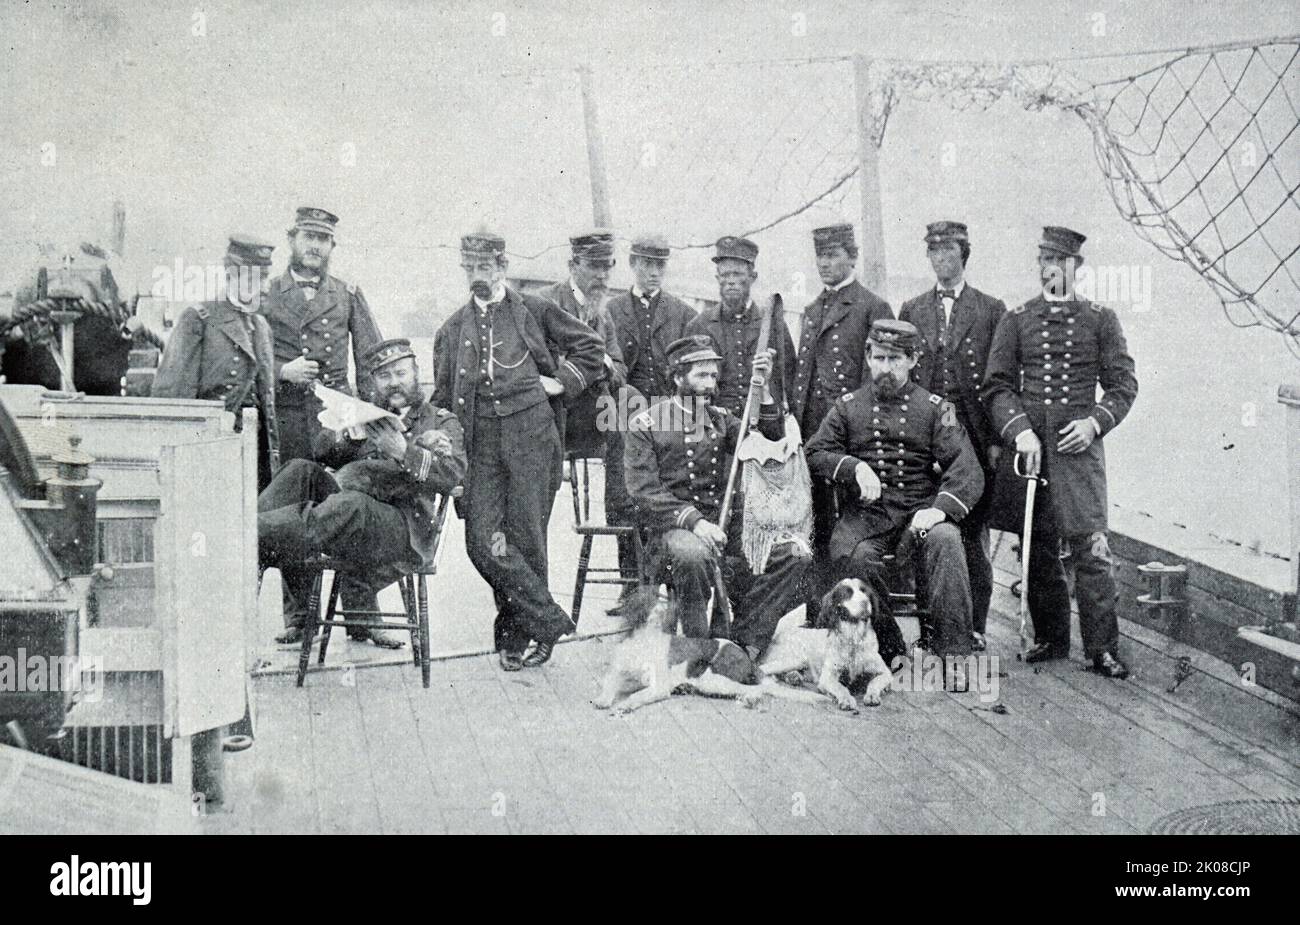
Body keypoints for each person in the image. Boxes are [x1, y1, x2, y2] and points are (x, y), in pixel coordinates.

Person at [433, 231, 607, 671]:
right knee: (483, 540)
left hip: (533, 437)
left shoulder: (534, 308)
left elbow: (591, 347)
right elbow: (440, 399)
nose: (478, 275)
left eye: (485, 266)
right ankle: (548, 620)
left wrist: (562, 381)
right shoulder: (453, 330)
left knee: (527, 537)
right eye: (470, 267)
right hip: (482, 444)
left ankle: (515, 637)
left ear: (502, 265)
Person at [982, 226, 1138, 679]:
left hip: (1078, 451)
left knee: (1092, 549)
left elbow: (1124, 385)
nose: (1052, 268)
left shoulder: (1100, 320)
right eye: (1045, 260)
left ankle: (1102, 649)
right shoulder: (1017, 319)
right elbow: (997, 386)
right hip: (1032, 451)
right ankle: (1051, 638)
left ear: (1076, 267)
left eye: (1061, 261)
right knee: (1037, 546)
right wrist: (1020, 433)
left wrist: (1094, 423)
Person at [805, 320, 984, 689]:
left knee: (947, 541)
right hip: (869, 518)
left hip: (921, 512)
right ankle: (890, 652)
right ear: (868, 357)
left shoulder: (939, 409)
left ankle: (954, 656)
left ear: (913, 359)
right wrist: (853, 467)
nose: (886, 367)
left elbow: (966, 465)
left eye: (896, 359)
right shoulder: (847, 407)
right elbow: (815, 452)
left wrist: (940, 509)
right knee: (858, 560)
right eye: (880, 357)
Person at [258, 338, 465, 649]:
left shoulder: (439, 420)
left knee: (349, 506)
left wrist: (403, 452)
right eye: (384, 376)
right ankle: (266, 552)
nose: (394, 383)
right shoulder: (365, 412)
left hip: (403, 525)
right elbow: (321, 453)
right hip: (353, 518)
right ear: (373, 381)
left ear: (416, 373)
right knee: (300, 471)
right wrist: (345, 437)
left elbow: (453, 475)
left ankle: (249, 534)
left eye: (400, 373)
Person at [624, 335, 811, 660]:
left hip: (724, 525)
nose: (709, 384)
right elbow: (643, 492)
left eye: (713, 376)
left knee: (795, 554)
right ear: (678, 377)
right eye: (700, 375)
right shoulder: (647, 423)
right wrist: (695, 523)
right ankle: (698, 648)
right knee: (694, 554)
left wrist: (764, 391)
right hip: (669, 531)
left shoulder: (722, 420)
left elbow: (771, 440)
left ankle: (743, 641)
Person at [260, 206, 385, 646]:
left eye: (323, 239)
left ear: (332, 245)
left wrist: (370, 419)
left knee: (355, 502)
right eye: (308, 237)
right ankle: (300, 618)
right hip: (290, 416)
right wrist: (281, 370)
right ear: (292, 240)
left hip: (341, 417)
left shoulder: (348, 293)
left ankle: (362, 615)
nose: (315, 246)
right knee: (294, 510)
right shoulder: (267, 292)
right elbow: (252, 358)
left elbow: (371, 359)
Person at [899, 221, 1006, 651]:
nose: (940, 260)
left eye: (948, 252)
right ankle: (931, 628)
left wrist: (998, 440)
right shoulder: (912, 308)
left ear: (964, 255)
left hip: (975, 438)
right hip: (927, 435)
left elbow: (1000, 378)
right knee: (930, 526)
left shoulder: (991, 309)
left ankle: (973, 625)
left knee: (973, 534)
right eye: (933, 253)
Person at [789, 222, 893, 626]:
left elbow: (879, 380)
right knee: (816, 525)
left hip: (854, 438)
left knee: (850, 531)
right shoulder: (813, 309)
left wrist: (864, 432)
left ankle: (852, 616)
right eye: (820, 256)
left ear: (852, 257)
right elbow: (803, 377)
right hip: (816, 436)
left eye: (833, 255)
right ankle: (819, 613)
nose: (825, 263)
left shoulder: (871, 307)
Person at [602, 232, 698, 611]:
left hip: (669, 418)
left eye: (660, 265)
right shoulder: (609, 310)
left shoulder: (682, 313)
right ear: (633, 265)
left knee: (670, 494)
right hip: (622, 415)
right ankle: (631, 584)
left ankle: (672, 580)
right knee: (624, 498)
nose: (653, 272)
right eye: (646, 264)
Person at [152, 234, 281, 490]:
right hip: (211, 445)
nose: (263, 287)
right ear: (230, 274)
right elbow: (173, 395)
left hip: (257, 450)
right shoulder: (199, 318)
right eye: (253, 278)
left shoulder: (261, 326)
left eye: (264, 278)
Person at [536, 230, 626, 459]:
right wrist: (598, 364)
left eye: (607, 267)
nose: (603, 275)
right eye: (594, 266)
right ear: (572, 265)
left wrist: (601, 367)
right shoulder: (546, 303)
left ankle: (618, 496)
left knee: (630, 406)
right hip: (553, 409)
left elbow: (619, 368)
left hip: (590, 411)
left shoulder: (603, 312)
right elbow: (543, 367)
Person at [684, 236, 795, 420]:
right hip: (714, 428)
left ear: (752, 277)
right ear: (717, 278)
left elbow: (788, 382)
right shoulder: (699, 325)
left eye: (737, 274)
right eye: (725, 275)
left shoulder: (773, 326)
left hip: (762, 427)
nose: (731, 281)